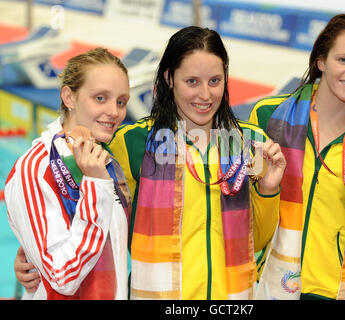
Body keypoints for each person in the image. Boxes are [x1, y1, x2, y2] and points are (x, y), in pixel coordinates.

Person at [14, 26, 286, 300]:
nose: (205, 94)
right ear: (169, 79)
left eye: (214, 81)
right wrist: (30, 255)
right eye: (192, 81)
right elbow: (75, 210)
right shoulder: (135, 143)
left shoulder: (249, 143)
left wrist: (268, 190)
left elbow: (255, 241)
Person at [250, 14, 345, 300]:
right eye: (344, 59)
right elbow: (244, 218)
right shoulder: (267, 118)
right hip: (271, 284)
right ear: (321, 60)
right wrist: (266, 191)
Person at [5, 47, 131, 299]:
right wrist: (95, 186)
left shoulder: (106, 158)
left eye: (121, 101)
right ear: (69, 97)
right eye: (100, 98)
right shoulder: (36, 168)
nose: (114, 112)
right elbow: (63, 277)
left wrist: (32, 249)